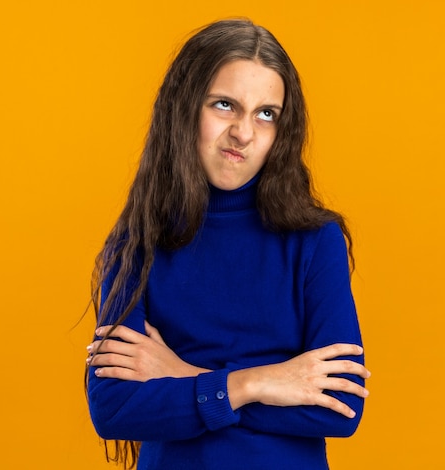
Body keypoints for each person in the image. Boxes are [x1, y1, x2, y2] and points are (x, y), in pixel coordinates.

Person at [85, 18, 370, 470]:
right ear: (185, 108)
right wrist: (257, 384)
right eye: (224, 105)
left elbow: (339, 405)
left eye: (266, 113)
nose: (244, 132)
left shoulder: (315, 240)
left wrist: (183, 375)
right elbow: (114, 408)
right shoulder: (138, 241)